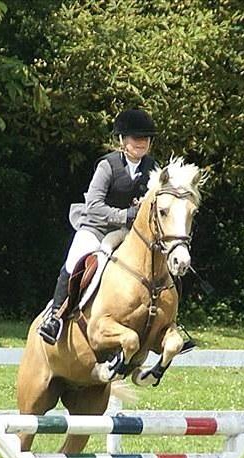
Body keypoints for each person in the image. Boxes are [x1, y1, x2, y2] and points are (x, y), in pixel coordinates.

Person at [37, 109, 160, 345]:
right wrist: (126, 215)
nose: (142, 143)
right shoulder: (108, 166)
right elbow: (94, 206)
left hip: (130, 234)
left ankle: (163, 322)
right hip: (96, 228)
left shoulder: (153, 168)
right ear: (123, 140)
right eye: (136, 138)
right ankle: (55, 316)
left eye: (146, 138)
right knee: (76, 259)